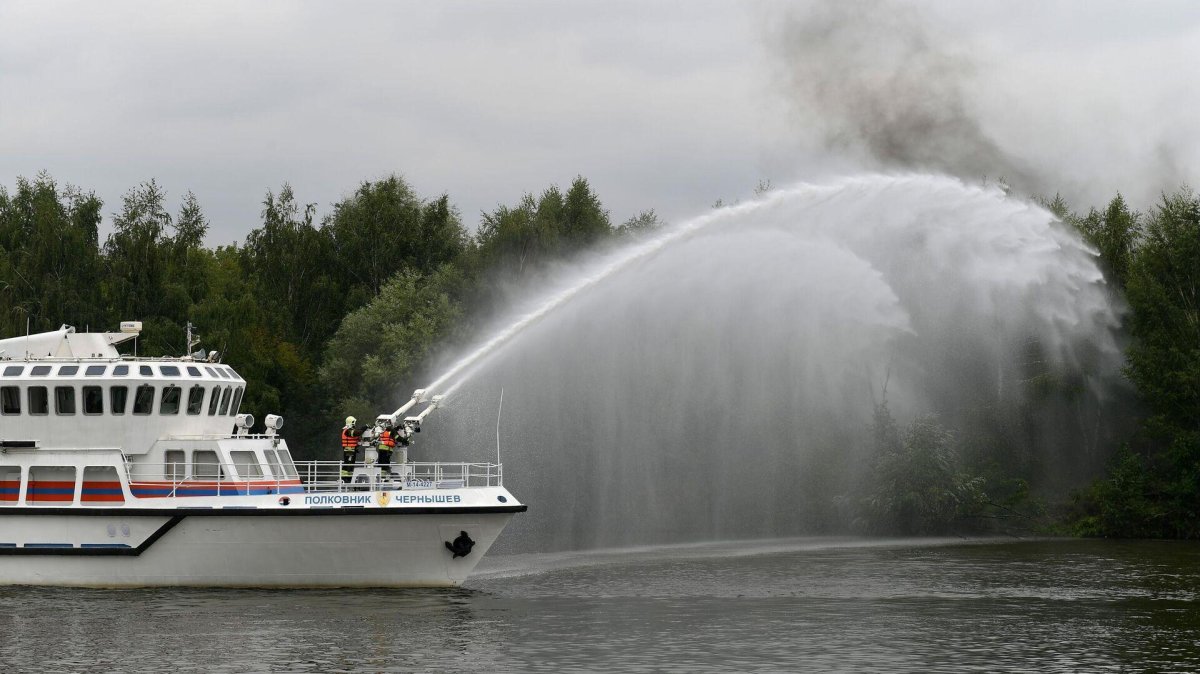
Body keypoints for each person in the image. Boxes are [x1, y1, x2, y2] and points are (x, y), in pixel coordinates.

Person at [340, 416, 361, 483]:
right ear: (352, 423)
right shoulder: (348, 431)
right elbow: (357, 433)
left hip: (350, 450)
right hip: (349, 451)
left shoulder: (347, 430)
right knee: (349, 464)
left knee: (349, 464)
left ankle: (347, 478)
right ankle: (346, 479)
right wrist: (365, 427)